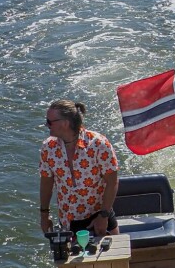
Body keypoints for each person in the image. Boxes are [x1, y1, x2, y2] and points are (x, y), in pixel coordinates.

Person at [39, 100, 119, 239]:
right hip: (69, 222)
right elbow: (46, 183)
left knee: (113, 259)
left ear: (65, 123)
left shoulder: (98, 144)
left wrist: (104, 216)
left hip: (99, 218)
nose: (46, 125)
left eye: (49, 121)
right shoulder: (48, 148)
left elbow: (112, 182)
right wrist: (44, 216)